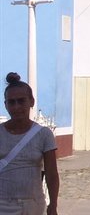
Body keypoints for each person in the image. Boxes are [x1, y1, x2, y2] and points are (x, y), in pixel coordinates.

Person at [1, 79, 59, 215]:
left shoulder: (44, 135)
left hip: (33, 205)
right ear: (5, 105)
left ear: (31, 102)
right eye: (11, 102)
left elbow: (51, 174)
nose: (16, 107)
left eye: (21, 101)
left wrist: (53, 205)